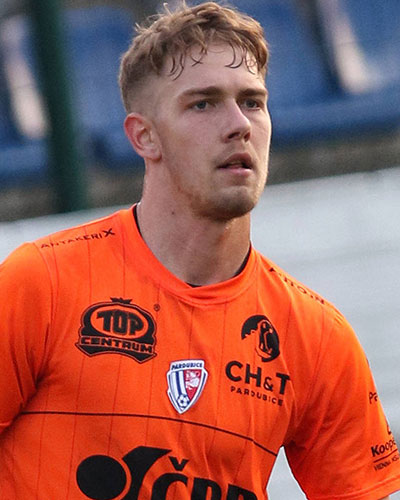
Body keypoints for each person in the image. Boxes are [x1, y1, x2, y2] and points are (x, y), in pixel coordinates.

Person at [0, 2, 399, 498]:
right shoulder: (40, 282)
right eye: (203, 104)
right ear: (144, 136)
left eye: (253, 102)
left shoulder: (317, 335)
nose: (240, 125)